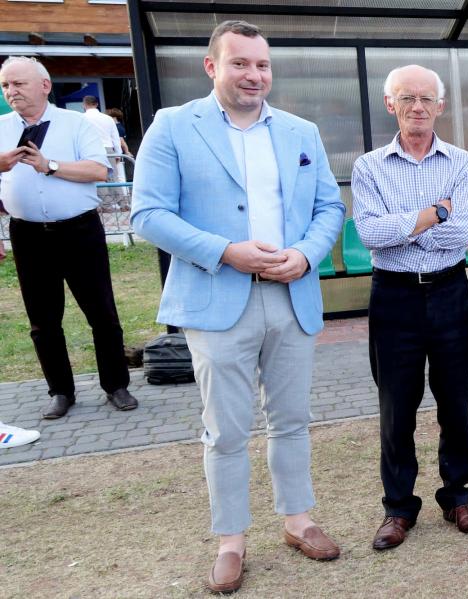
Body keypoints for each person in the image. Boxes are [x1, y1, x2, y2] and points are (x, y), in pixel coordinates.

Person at [130, 21, 345, 593]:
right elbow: (148, 213)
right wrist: (226, 251)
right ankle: (231, 540)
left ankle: (298, 520)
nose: (254, 75)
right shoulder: (173, 126)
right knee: (225, 429)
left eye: (262, 65)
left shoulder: (301, 130)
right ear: (212, 66)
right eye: (240, 63)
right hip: (216, 296)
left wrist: (305, 254)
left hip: (291, 295)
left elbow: (329, 208)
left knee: (292, 419)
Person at [352, 65, 468, 551]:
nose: (417, 107)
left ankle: (458, 497)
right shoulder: (369, 167)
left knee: (455, 401)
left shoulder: (463, 163)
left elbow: (462, 232)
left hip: (449, 292)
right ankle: (398, 508)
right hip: (394, 297)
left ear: (440, 106)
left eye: (427, 99)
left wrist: (407, 227)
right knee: (396, 406)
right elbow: (371, 234)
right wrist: (436, 212)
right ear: (390, 104)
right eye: (407, 98)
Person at [0, 56, 138, 419]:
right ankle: (60, 391)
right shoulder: (1, 127)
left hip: (79, 230)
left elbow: (98, 170)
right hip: (28, 234)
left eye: (19, 84)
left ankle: (116, 385)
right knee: (42, 320)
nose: (11, 92)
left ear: (45, 86)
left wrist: (50, 166)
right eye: (6, 85)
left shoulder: (75, 123)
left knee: (102, 312)